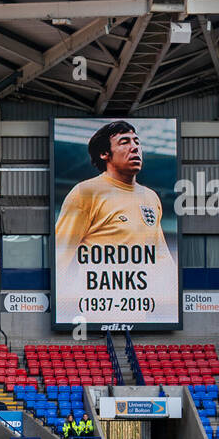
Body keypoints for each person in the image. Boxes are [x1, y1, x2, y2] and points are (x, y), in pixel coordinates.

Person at [52, 119, 178, 325]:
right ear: (105, 154)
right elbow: (59, 254)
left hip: (139, 315)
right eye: (124, 142)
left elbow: (161, 257)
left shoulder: (151, 198)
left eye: (137, 141)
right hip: (94, 314)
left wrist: (173, 306)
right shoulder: (85, 193)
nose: (135, 147)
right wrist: (60, 312)